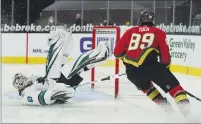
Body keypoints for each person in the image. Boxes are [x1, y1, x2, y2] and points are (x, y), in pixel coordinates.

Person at [114, 9, 190, 116]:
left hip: (131, 72)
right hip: (152, 67)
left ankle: (167, 110)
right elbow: (165, 59)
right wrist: (164, 71)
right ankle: (189, 115)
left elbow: (117, 53)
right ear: (153, 20)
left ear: (140, 20)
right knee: (175, 88)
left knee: (147, 88)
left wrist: (128, 63)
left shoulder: (130, 32)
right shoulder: (159, 32)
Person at [12, 27, 111, 105]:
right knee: (55, 67)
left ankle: (101, 55)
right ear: (20, 85)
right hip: (59, 86)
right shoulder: (26, 94)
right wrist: (60, 91)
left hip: (59, 83)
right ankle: (58, 38)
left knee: (77, 66)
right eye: (22, 79)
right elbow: (43, 98)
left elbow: (41, 86)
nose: (25, 78)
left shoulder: (31, 83)